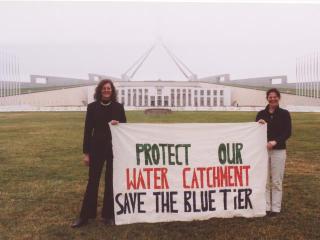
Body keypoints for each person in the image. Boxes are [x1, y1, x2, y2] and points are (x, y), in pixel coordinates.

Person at [72, 79, 127, 228]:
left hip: (113, 148)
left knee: (110, 181)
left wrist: (119, 124)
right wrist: (86, 153)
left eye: (109, 88)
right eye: (104, 88)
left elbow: (125, 129)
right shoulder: (92, 107)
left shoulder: (118, 107)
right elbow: (87, 131)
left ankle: (108, 215)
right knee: (93, 181)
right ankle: (85, 216)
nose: (106, 90)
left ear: (112, 90)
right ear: (100, 90)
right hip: (96, 148)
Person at [256, 88, 291, 217]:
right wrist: (258, 124)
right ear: (267, 98)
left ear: (279, 97)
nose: (272, 99)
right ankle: (266, 206)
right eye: (270, 97)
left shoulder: (284, 113)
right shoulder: (261, 114)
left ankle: (276, 208)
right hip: (263, 151)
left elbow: (287, 132)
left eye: (275, 96)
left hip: (279, 150)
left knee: (276, 180)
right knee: (264, 180)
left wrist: (275, 142)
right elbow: (255, 132)